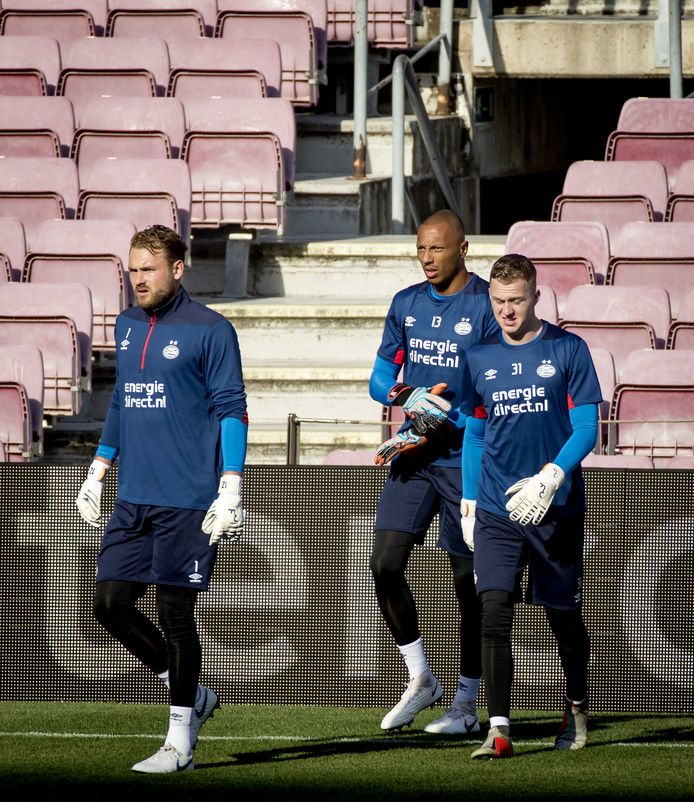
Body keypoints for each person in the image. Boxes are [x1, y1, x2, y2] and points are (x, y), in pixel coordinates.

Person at [75, 224, 248, 774]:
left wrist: (231, 484)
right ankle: (195, 695)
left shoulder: (212, 330)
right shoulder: (127, 326)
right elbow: (124, 401)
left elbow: (232, 410)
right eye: (133, 269)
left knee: (175, 613)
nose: (138, 278)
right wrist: (99, 469)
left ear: (178, 269)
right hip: (133, 498)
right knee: (110, 605)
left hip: (189, 500)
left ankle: (180, 743)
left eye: (148, 269)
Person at [459, 253, 601, 759]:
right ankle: (499, 729)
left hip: (555, 508)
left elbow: (587, 428)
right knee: (493, 610)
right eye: (498, 302)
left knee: (563, 616)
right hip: (498, 510)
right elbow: (475, 434)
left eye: (516, 300)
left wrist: (551, 476)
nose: (507, 311)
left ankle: (578, 704)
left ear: (536, 297)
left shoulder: (568, 349)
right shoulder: (477, 358)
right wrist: (470, 501)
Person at [368, 209, 499, 733]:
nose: (426, 258)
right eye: (421, 248)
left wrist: (453, 416)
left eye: (437, 249)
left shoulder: (486, 305)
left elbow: (495, 393)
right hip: (415, 458)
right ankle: (421, 677)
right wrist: (409, 395)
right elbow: (380, 378)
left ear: (463, 249)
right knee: (384, 564)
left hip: (465, 460)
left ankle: (466, 706)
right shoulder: (406, 303)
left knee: (467, 584)